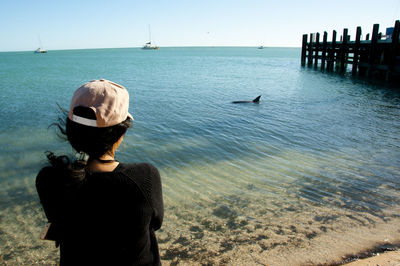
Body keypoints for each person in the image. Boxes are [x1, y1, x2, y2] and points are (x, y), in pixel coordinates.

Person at [36, 79, 164, 265]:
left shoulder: (49, 180)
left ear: (71, 130)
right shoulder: (145, 177)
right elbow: (156, 222)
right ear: (120, 134)